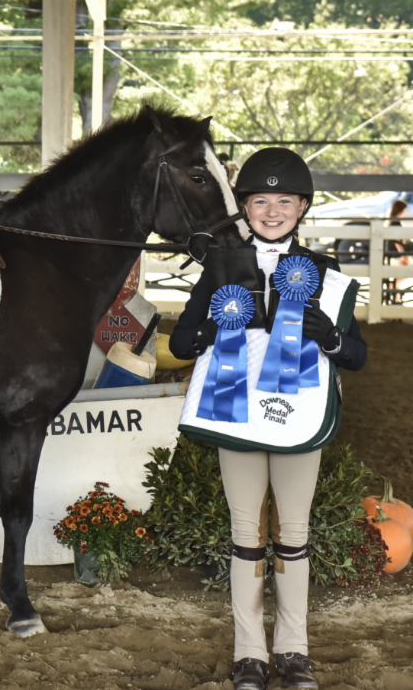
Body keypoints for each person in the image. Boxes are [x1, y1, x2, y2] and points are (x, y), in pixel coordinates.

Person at [170, 148, 367, 690]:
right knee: (245, 535)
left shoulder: (324, 273)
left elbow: (357, 355)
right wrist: (214, 327)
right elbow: (181, 344)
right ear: (245, 208)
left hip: (295, 417)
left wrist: (329, 336)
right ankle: (250, 653)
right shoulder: (219, 269)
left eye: (284, 201)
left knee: (294, 534)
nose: (273, 211)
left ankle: (294, 650)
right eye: (261, 201)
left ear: (302, 208)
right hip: (237, 413)